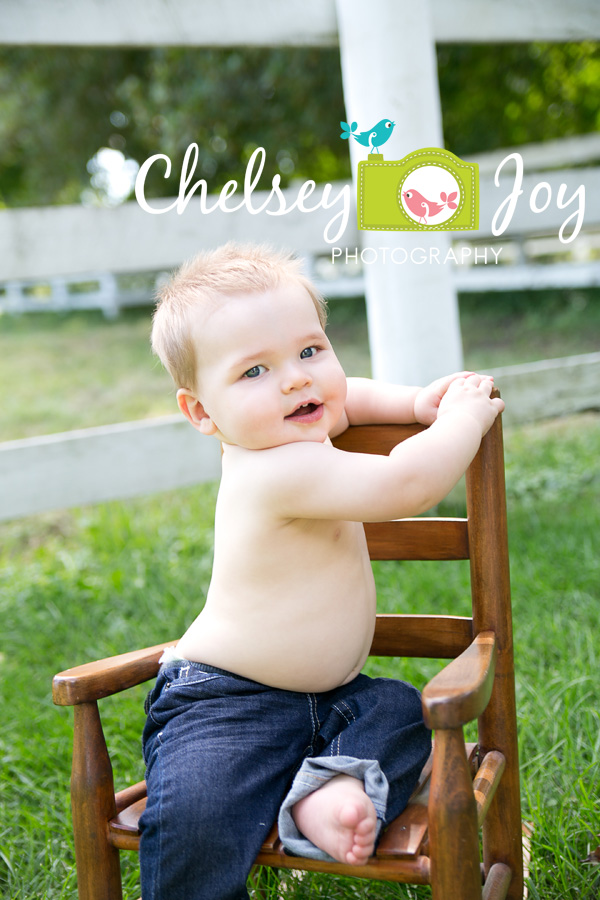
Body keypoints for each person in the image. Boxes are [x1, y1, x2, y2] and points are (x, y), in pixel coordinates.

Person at [139, 243, 504, 900]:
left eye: (310, 351)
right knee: (199, 818)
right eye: (255, 370)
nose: (296, 380)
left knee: (400, 710)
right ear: (202, 413)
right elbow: (407, 483)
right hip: (226, 701)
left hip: (337, 701)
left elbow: (347, 395)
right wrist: (462, 419)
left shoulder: (299, 423)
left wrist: (415, 401)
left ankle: (328, 789)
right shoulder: (276, 469)